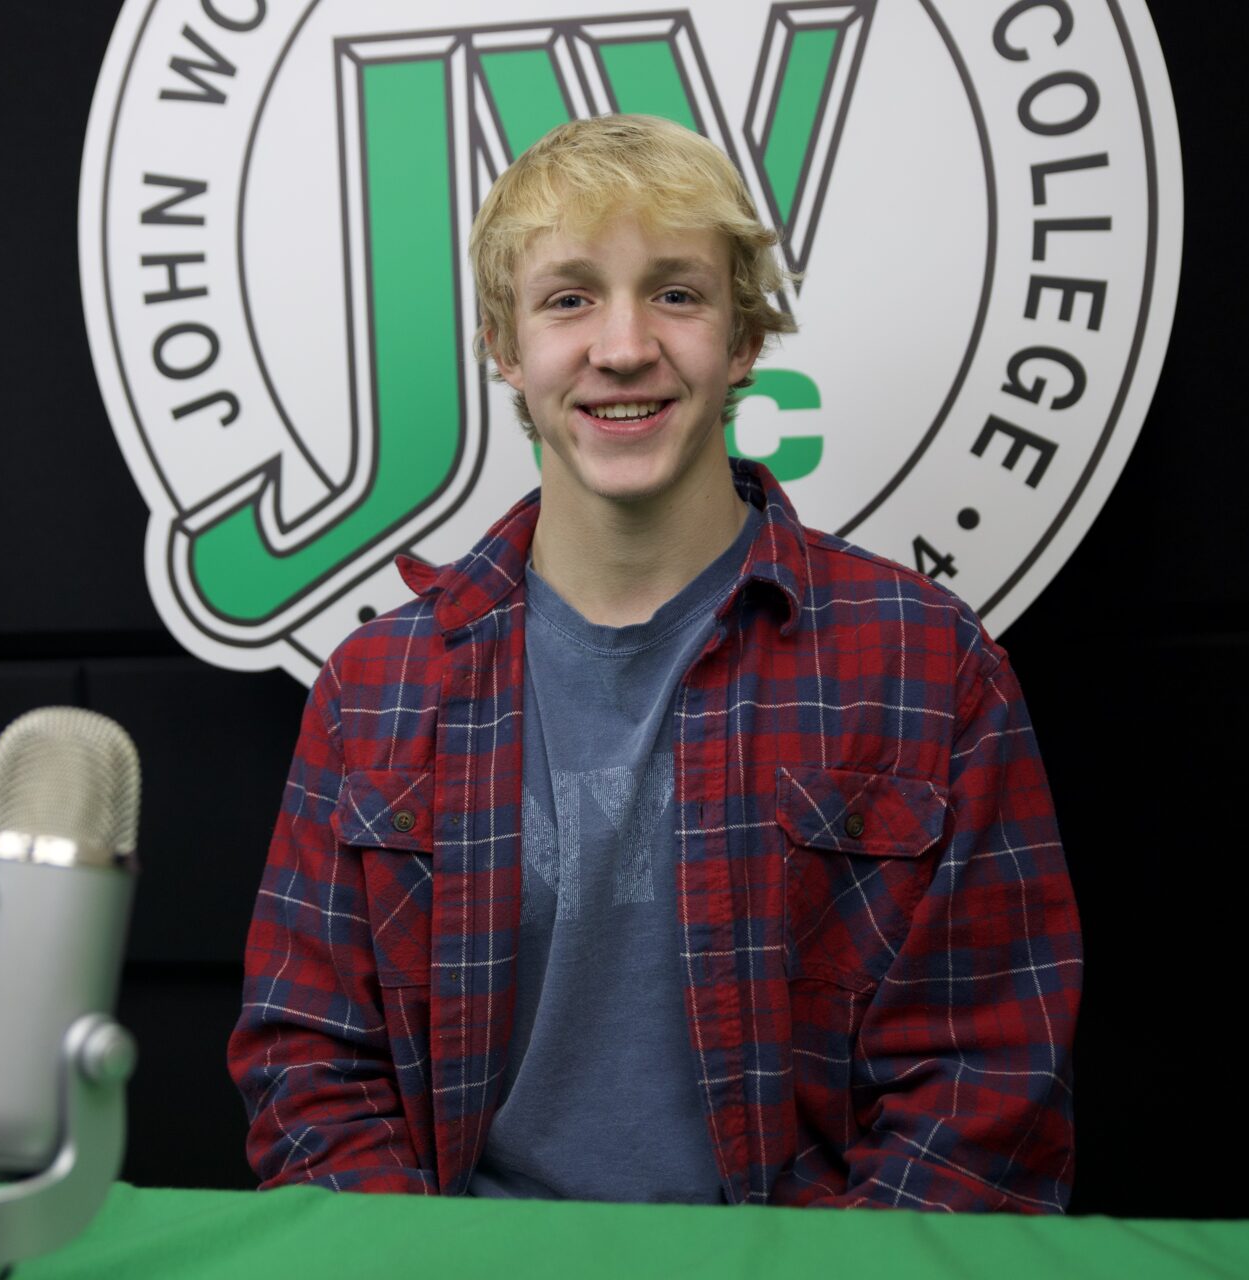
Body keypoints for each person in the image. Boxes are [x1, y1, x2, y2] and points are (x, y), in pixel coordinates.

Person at [227, 114, 1081, 1211]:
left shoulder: (924, 664)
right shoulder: (378, 689)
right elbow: (311, 1071)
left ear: (742, 340)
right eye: (569, 297)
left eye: (676, 293)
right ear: (504, 343)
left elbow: (987, 1091)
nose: (624, 347)